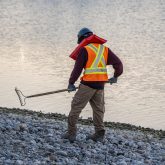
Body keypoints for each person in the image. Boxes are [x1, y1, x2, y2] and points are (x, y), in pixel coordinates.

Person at [63, 28, 123, 143]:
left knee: (76, 107)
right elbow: (118, 64)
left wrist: (71, 83)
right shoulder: (105, 49)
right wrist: (116, 76)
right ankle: (99, 134)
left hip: (87, 86)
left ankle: (71, 134)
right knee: (98, 110)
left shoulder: (85, 50)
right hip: (100, 86)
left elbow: (77, 69)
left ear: (82, 38)